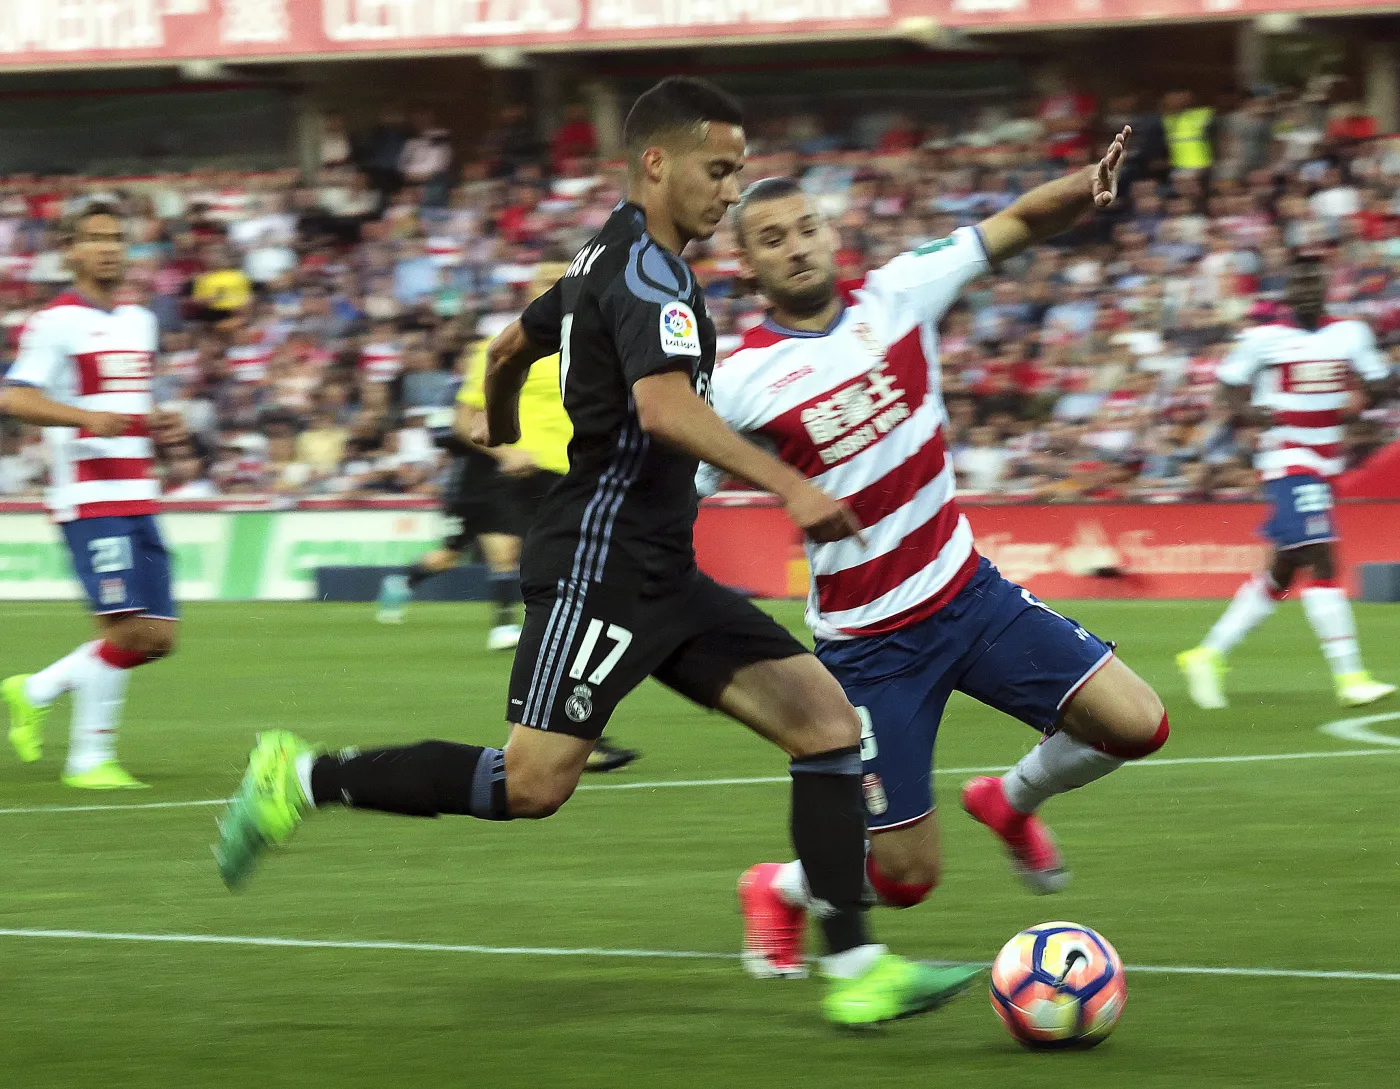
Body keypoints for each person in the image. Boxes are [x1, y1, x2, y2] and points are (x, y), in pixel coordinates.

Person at [213, 77, 975, 1028]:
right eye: (719, 169)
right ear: (657, 162)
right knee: (531, 786)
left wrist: (501, 434)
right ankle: (302, 777)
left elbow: (504, 353)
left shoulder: (597, 258)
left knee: (825, 722)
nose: (732, 191)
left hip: (662, 568)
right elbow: (663, 407)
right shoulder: (652, 275)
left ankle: (858, 968)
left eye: (738, 171)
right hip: (597, 568)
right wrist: (787, 484)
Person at [705, 135, 1169, 979]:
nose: (796, 246)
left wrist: (1084, 185)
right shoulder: (738, 383)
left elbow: (1018, 221)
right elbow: (674, 476)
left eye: (806, 227)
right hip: (871, 648)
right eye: (771, 238)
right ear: (744, 264)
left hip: (971, 597)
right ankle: (780, 886)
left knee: (1138, 723)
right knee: (908, 880)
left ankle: (1009, 798)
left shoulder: (900, 293)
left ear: (830, 232)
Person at [375, 263, 641, 773]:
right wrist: (505, 450)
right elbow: (464, 416)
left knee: (583, 604)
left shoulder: (594, 344)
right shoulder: (505, 343)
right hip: (527, 479)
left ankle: (562, 730)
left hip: (580, 480)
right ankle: (567, 732)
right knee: (564, 598)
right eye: (550, 288)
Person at [0, 200, 185, 789]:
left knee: (158, 638)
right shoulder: (55, 321)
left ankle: (34, 690)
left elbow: (130, 401)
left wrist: (158, 421)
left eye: (116, 237)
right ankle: (88, 760)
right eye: (94, 238)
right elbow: (13, 397)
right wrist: (82, 417)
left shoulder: (141, 319)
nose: (108, 247)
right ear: (71, 251)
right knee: (124, 630)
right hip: (88, 497)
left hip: (140, 493)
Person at [1177, 254, 1395, 710]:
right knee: (1322, 555)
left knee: (1282, 571)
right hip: (1287, 458)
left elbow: (1380, 383)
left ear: (1327, 287)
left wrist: (1367, 394)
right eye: (1299, 283)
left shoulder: (1350, 334)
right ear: (1287, 292)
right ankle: (1350, 675)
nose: (1308, 290)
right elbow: (1228, 385)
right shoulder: (1264, 339)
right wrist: (1249, 412)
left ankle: (1206, 654)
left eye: (1315, 282)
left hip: (1327, 461)